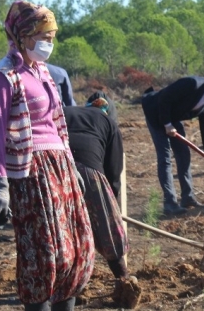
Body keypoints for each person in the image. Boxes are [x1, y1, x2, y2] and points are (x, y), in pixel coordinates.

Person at [0, 0, 94, 311]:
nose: (49, 42)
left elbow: (57, 125)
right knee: (44, 254)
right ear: (23, 36)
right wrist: (0, 185)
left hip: (60, 166)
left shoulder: (43, 72)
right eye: (43, 36)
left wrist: (72, 169)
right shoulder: (2, 77)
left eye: (52, 36)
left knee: (76, 249)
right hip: (31, 173)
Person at [63, 91, 136, 307]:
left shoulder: (65, 111)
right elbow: (114, 171)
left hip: (55, 170)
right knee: (108, 232)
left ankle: (64, 288)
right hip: (88, 173)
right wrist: (109, 204)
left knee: (65, 231)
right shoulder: (109, 123)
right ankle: (124, 281)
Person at [141, 72, 204, 216]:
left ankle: (187, 197)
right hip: (156, 112)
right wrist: (167, 124)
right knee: (165, 158)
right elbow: (164, 98)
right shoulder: (192, 84)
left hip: (173, 117)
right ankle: (170, 203)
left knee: (183, 155)